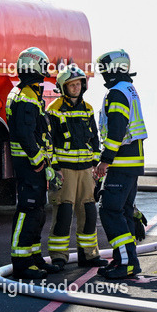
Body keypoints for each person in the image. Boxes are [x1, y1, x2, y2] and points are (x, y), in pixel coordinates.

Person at [7, 46, 61, 280]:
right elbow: (25, 133)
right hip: (30, 165)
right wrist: (38, 160)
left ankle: (35, 257)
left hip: (33, 165)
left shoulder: (27, 92)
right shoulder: (27, 95)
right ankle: (21, 262)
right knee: (28, 210)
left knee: (37, 212)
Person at [93, 49, 148, 280]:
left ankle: (125, 263)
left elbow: (116, 130)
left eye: (105, 69)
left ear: (114, 69)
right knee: (122, 211)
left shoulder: (117, 92)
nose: (102, 74)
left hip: (121, 163)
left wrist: (104, 161)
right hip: (130, 163)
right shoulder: (128, 89)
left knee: (110, 210)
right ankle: (124, 260)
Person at [46, 64, 105, 268]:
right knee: (63, 212)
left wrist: (96, 163)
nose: (76, 88)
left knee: (88, 211)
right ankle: (59, 257)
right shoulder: (53, 110)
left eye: (79, 83)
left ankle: (89, 255)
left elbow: (95, 139)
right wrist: (55, 168)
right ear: (63, 87)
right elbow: (49, 141)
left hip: (86, 170)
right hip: (65, 170)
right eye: (71, 84)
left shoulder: (88, 108)